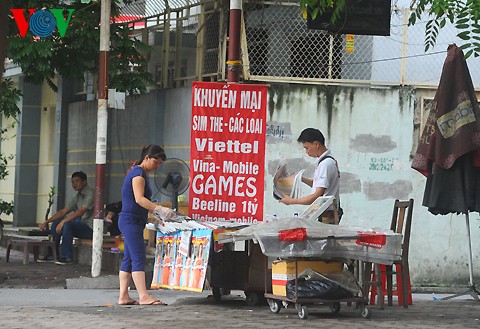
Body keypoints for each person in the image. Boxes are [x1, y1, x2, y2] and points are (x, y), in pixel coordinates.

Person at [118, 144, 176, 306]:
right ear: (146, 158)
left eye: (159, 164)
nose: (157, 166)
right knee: (138, 258)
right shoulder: (138, 174)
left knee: (129, 258)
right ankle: (143, 296)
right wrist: (159, 209)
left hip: (133, 220)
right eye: (155, 162)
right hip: (130, 221)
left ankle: (124, 296)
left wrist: (155, 212)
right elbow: (139, 199)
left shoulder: (141, 173)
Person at [279, 128, 341, 224]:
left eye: (307, 148)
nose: (306, 152)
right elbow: (318, 185)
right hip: (326, 211)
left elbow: (317, 195)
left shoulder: (326, 164)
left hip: (328, 213)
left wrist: (292, 201)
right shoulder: (325, 162)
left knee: (326, 237)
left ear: (316, 144)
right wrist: (300, 178)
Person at [38, 171, 94, 264]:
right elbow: (63, 211)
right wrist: (46, 222)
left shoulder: (90, 193)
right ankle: (52, 254)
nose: (74, 184)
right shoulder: (78, 197)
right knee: (56, 223)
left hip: (91, 229)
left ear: (84, 182)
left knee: (67, 224)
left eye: (77, 181)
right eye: (72, 182)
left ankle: (67, 257)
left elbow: (81, 211)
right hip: (81, 226)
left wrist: (64, 221)